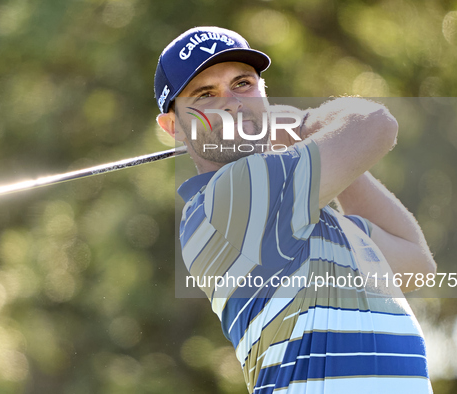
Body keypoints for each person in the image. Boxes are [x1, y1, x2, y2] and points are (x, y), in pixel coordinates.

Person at [154, 26, 436, 393]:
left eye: (242, 84)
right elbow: (375, 125)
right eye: (206, 94)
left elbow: (417, 266)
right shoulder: (226, 199)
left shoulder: (314, 218)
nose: (232, 102)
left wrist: (320, 152)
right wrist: (304, 125)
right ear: (173, 125)